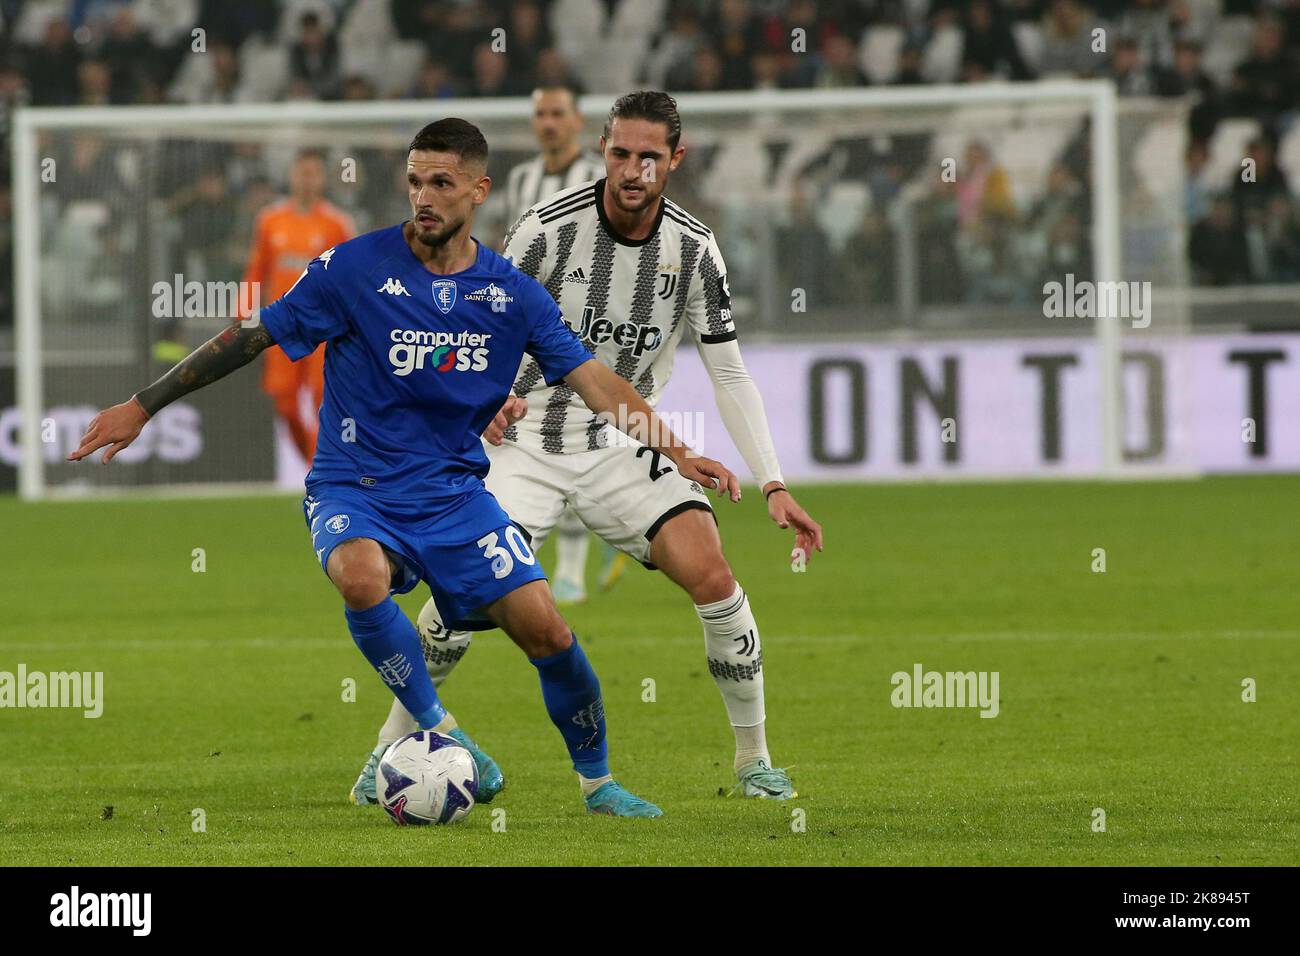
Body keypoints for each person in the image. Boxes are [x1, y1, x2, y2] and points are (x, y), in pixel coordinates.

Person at [69, 118, 743, 818]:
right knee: (359, 576)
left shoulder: (511, 295)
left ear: (478, 190)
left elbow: (598, 384)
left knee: (550, 633)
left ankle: (599, 784)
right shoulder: (353, 269)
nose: (424, 195)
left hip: (454, 497)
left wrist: (679, 451)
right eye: (416, 180)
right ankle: (441, 730)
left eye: (442, 183)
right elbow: (251, 335)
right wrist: (144, 405)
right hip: (353, 487)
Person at [352, 92, 823, 806]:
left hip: (622, 441)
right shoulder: (545, 229)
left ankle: (754, 759)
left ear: (675, 159)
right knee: (458, 596)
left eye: (649, 157)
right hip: (524, 442)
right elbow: (480, 316)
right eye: (619, 153)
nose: (632, 170)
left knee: (713, 574)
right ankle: (387, 750)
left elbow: (728, 370)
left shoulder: (694, 250)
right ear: (602, 149)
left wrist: (775, 483)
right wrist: (487, 400)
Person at [502, 82, 621, 605]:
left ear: (577, 122)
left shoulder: (599, 179)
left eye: (557, 113)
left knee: (574, 437)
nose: (548, 122)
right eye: (541, 113)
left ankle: (570, 569)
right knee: (535, 439)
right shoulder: (520, 179)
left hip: (583, 331)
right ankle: (593, 535)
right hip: (525, 331)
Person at [242, 149, 353, 465]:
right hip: (282, 326)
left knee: (324, 401)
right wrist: (245, 312)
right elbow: (256, 271)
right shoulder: (269, 220)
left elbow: (350, 277)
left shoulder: (337, 224)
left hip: (324, 330)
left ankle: (328, 475)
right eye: (301, 172)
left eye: (313, 173)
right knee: (285, 405)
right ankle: (312, 467)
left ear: (322, 179)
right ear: (291, 176)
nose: (306, 180)